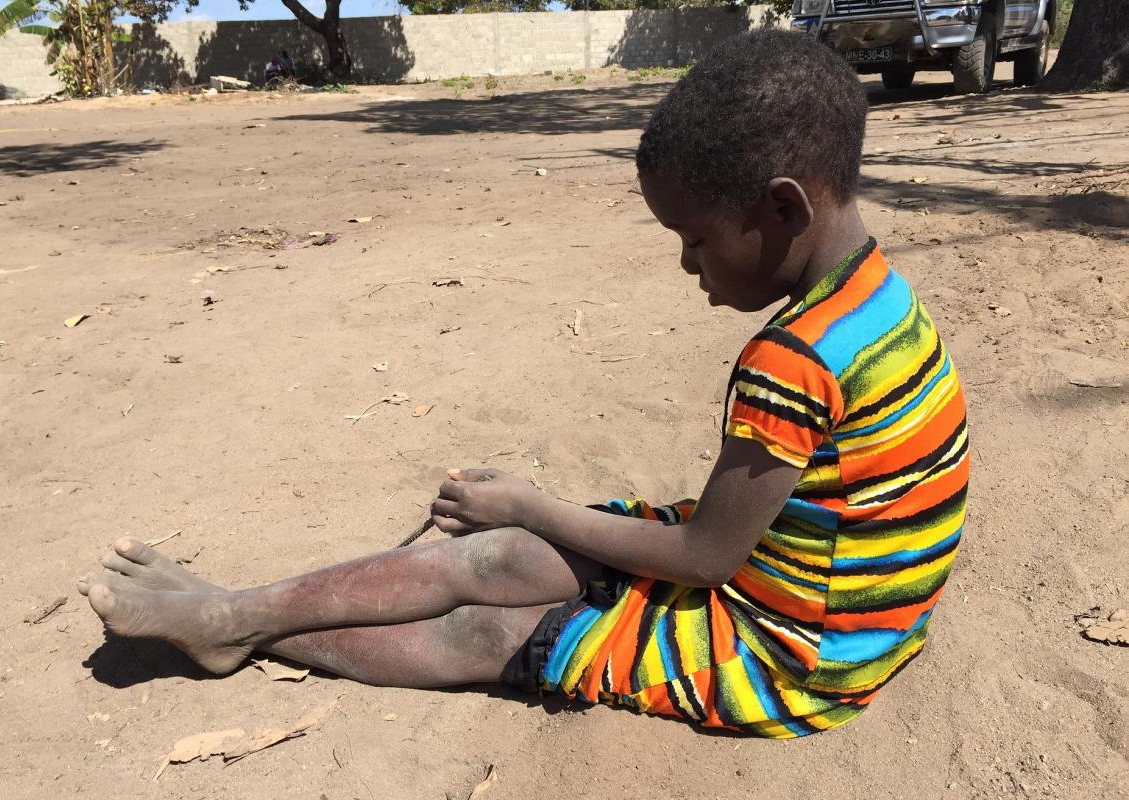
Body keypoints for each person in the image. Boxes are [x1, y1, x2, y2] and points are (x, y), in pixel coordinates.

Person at [77, 30, 969, 739]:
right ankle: (233, 611)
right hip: (815, 586)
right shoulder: (878, 300)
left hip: (797, 651)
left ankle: (233, 628)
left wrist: (535, 507)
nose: (688, 263)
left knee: (493, 631)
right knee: (497, 557)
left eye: (695, 239)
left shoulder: (796, 360)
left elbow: (707, 559)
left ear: (781, 209)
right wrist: (526, 522)